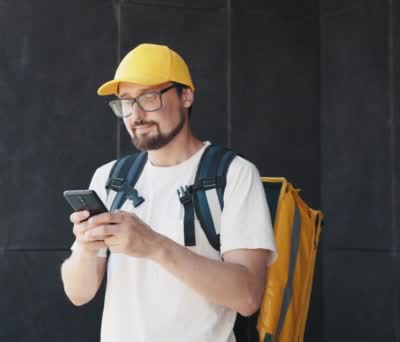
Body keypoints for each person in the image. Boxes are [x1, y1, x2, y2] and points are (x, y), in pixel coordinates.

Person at [60, 43, 277, 342]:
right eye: (125, 102)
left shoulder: (233, 174)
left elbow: (248, 297)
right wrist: (85, 248)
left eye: (149, 98)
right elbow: (78, 294)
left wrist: (154, 246)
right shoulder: (110, 178)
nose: (135, 114)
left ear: (186, 96)